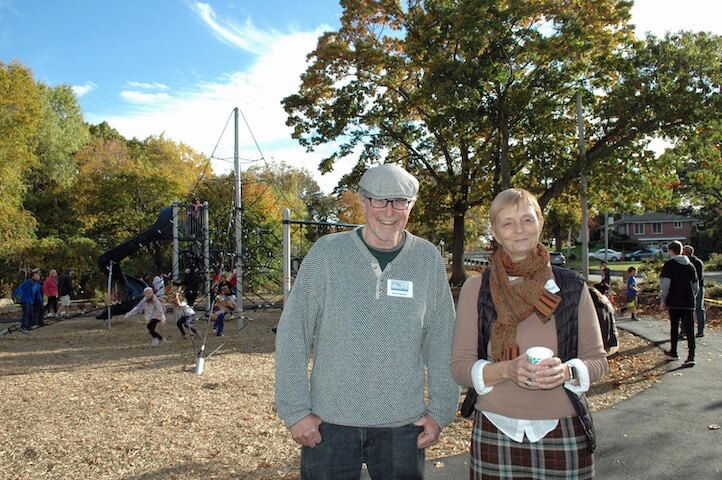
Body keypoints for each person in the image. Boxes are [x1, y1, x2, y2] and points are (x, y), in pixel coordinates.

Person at [275, 164, 458, 480]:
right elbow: (294, 333)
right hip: (329, 425)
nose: (389, 211)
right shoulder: (327, 254)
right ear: (362, 202)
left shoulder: (427, 259)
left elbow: (442, 339)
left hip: (403, 427)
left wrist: (440, 412)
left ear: (411, 206)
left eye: (400, 201)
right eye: (379, 200)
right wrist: (295, 412)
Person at [451, 188, 607, 480]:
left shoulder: (571, 286)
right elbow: (460, 368)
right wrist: (507, 370)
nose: (519, 230)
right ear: (494, 232)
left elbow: (597, 361)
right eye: (507, 222)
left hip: (564, 427)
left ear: (540, 223)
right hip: (495, 429)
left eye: (527, 219)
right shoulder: (477, 289)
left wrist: (567, 372)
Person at [660, 241, 698, 366]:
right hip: (688, 301)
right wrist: (692, 297)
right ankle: (691, 356)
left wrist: (663, 300)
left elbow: (665, 285)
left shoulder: (669, 265)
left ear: (671, 251)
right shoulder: (690, 266)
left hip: (674, 300)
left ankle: (674, 352)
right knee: (690, 329)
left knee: (674, 327)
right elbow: (696, 286)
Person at [683, 245, 706, 338]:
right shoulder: (699, 262)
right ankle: (700, 330)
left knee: (685, 309)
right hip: (699, 287)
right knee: (699, 309)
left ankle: (684, 330)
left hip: (688, 288)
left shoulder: (685, 263)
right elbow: (700, 277)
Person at [14, 269, 43, 334]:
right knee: (26, 313)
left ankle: (28, 327)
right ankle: (23, 327)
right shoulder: (28, 282)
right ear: (33, 276)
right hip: (25, 300)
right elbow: (20, 289)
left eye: (39, 275)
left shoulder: (37, 285)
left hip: (30, 301)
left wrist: (41, 303)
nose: (39, 276)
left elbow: (38, 295)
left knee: (31, 314)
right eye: (37, 275)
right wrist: (16, 296)